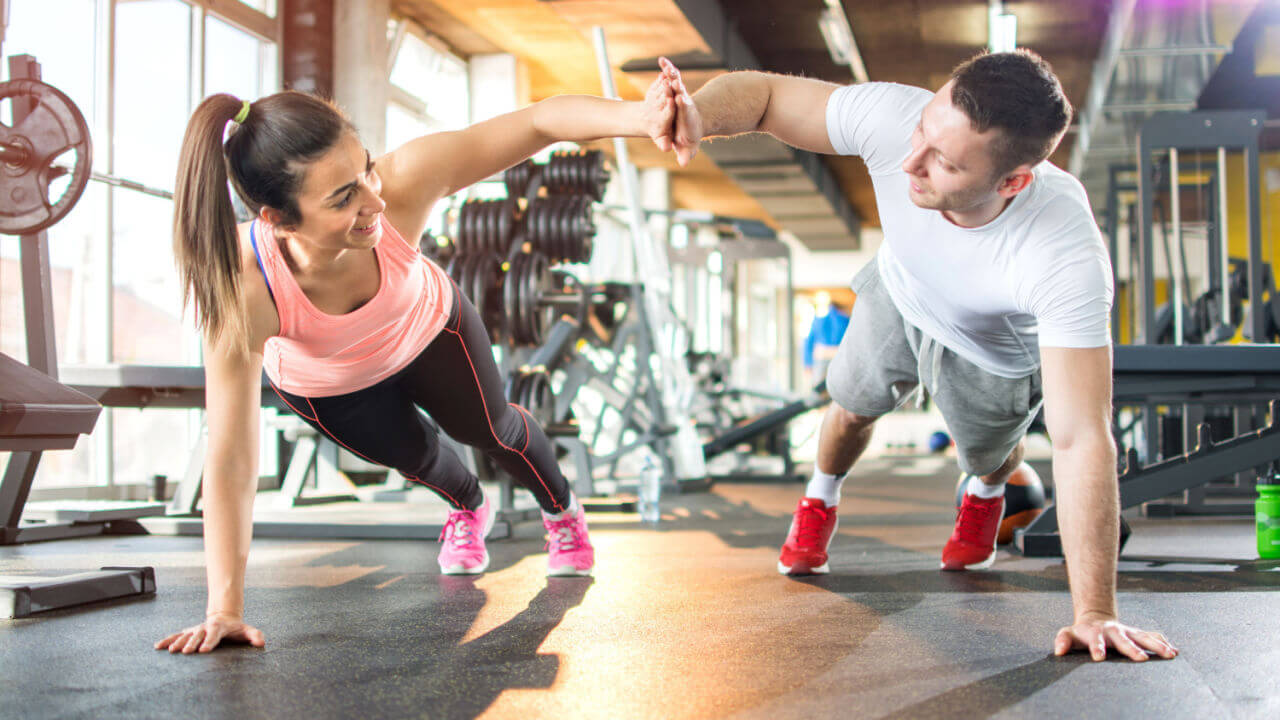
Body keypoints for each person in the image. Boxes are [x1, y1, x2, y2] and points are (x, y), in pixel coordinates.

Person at [651, 52, 1177, 662]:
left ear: (1013, 181)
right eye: (925, 129)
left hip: (991, 351)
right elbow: (767, 97)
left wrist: (1096, 613)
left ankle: (985, 493)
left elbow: (1082, 435)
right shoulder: (895, 117)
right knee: (848, 407)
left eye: (945, 163)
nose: (910, 163)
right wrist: (698, 112)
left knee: (990, 454)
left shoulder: (1063, 252)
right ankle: (820, 501)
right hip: (898, 295)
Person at [156, 79, 678, 654]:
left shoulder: (402, 186)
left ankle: (563, 512)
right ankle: (467, 507)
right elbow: (229, 453)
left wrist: (641, 114)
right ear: (278, 219)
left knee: (490, 432)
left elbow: (542, 121)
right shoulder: (243, 286)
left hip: (428, 327)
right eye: (342, 198)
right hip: (328, 381)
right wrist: (224, 609)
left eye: (367, 171)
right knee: (418, 456)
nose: (374, 202)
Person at [803, 290, 850, 386]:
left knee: (818, 388)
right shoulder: (845, 320)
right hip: (838, 357)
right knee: (838, 387)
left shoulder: (818, 321)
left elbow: (808, 343)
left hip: (821, 357)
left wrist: (808, 364)